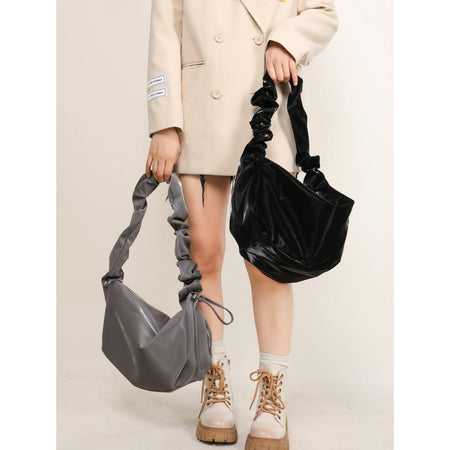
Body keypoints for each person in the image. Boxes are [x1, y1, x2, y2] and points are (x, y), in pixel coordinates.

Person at [145, 1, 338, 448]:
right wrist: (164, 124)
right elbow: (164, 34)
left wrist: (286, 39)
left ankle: (272, 393)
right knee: (204, 253)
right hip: (198, 110)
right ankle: (214, 379)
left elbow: (323, 11)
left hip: (264, 113)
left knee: (267, 263)